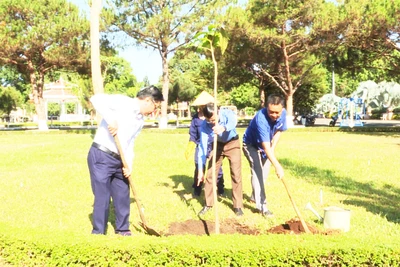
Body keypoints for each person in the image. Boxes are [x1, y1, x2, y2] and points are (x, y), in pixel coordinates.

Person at [87, 86, 164, 236]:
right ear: (148, 100)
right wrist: (111, 119)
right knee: (102, 196)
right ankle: (98, 233)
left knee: (122, 194)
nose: (154, 110)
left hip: (120, 160)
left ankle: (123, 230)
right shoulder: (124, 102)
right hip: (102, 155)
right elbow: (96, 99)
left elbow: (130, 143)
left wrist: (128, 165)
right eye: (155, 106)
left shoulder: (139, 120)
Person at [242, 94, 287, 217]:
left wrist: (273, 147)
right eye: (271, 112)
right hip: (251, 145)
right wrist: (277, 166)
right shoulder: (261, 119)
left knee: (264, 175)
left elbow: (279, 130)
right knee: (258, 173)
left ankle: (254, 195)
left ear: (282, 109)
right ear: (267, 107)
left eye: (277, 112)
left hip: (266, 146)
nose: (274, 115)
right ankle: (263, 206)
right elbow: (265, 147)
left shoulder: (283, 114)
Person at [197, 103, 244, 216]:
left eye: (214, 119)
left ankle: (237, 206)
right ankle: (208, 204)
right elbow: (202, 148)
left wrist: (223, 127)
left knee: (236, 174)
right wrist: (200, 170)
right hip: (217, 145)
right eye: (209, 121)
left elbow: (233, 122)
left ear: (218, 112)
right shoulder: (204, 125)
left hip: (232, 143)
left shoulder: (227, 112)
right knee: (210, 174)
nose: (212, 122)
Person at [187, 106, 225, 197]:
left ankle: (220, 188)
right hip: (201, 145)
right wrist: (190, 145)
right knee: (198, 166)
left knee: (217, 168)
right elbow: (192, 134)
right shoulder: (195, 120)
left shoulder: (215, 117)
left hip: (213, 145)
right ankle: (197, 188)